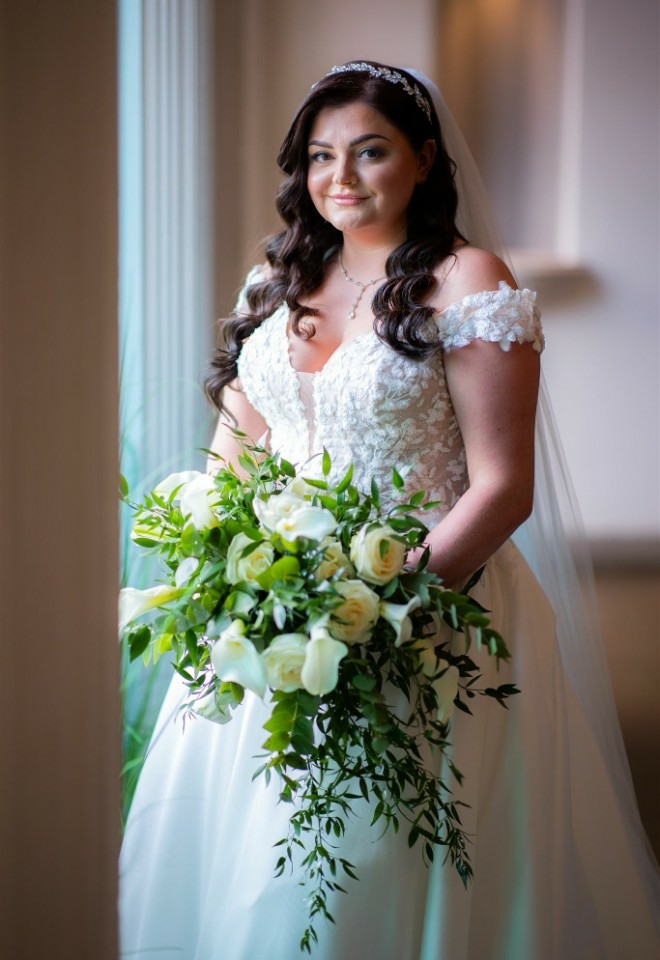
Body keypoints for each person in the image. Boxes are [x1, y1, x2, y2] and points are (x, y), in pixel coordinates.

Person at [119, 61, 658, 959]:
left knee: (379, 852)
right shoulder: (274, 283)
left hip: (429, 606)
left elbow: (502, 487)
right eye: (322, 157)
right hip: (274, 612)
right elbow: (233, 459)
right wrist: (227, 579)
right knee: (246, 847)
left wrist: (390, 614)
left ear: (424, 158)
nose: (341, 178)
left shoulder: (465, 280)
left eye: (370, 153)